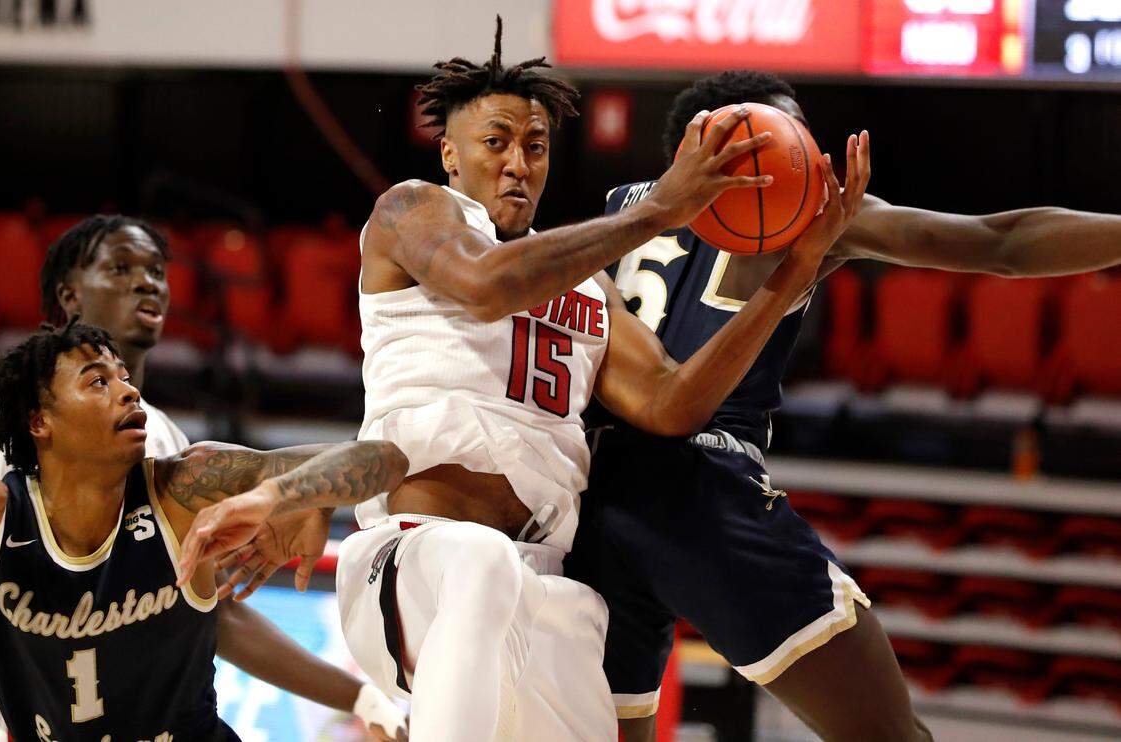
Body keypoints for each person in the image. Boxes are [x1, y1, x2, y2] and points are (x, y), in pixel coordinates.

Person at [217, 20, 869, 742]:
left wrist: (789, 280)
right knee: (478, 561)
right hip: (415, 559)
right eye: (495, 142)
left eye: (535, 146)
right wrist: (660, 211)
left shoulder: (590, 285)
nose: (517, 164)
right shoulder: (413, 210)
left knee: (538, 601)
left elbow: (672, 403)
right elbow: (485, 285)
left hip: (544, 581)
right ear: (450, 154)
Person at [565, 69, 1121, 742]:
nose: (804, 154)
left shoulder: (614, 214)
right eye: (781, 132)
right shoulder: (797, 215)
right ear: (712, 142)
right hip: (703, 495)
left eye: (803, 135)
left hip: (593, 502)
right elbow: (997, 242)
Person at [0, 216, 407, 741]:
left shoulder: (174, 456)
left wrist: (302, 492)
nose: (149, 283)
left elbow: (214, 616)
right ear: (70, 294)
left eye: (158, 271)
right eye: (121, 268)